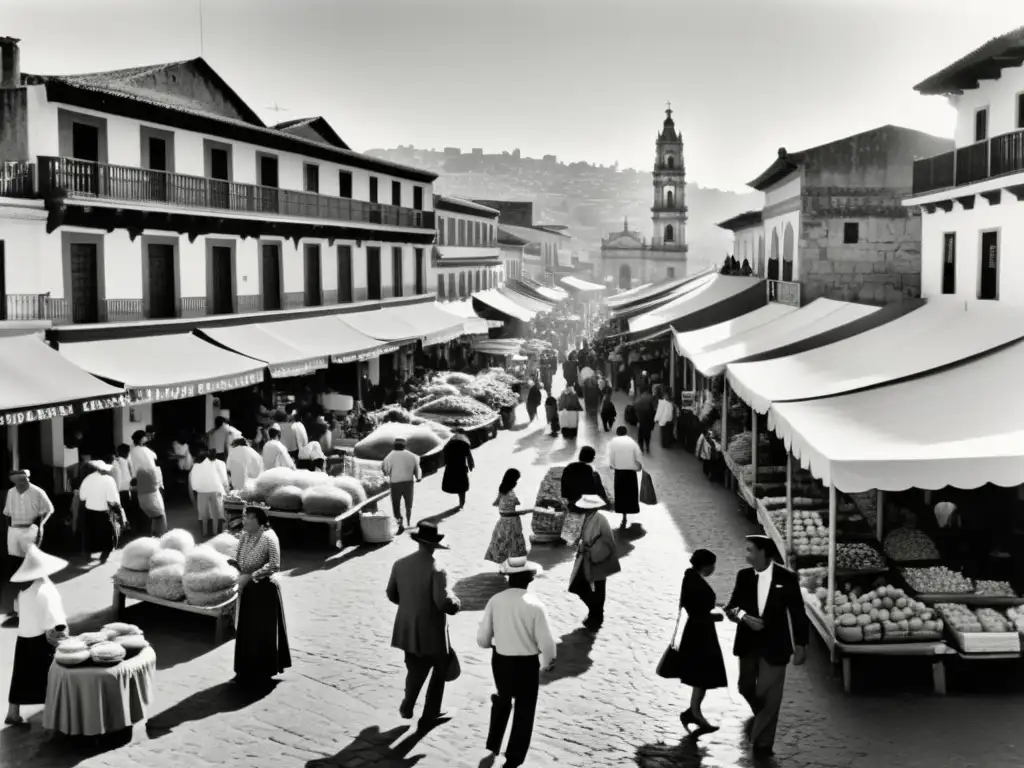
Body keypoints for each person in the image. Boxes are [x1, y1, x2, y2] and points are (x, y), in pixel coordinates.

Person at [725, 535, 810, 758]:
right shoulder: (743, 576)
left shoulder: (787, 577)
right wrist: (745, 617)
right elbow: (731, 607)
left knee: (770, 694)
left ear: (763, 553)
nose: (746, 554)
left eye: (750, 550)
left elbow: (798, 613)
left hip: (775, 646)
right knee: (745, 687)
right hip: (747, 644)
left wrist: (801, 644)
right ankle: (761, 714)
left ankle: (763, 744)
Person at [477, 556, 556, 768]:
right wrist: (548, 663)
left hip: (501, 661)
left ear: (507, 578)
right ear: (529, 580)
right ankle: (513, 757)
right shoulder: (536, 605)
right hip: (527, 664)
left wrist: (492, 644)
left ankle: (493, 743)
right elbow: (547, 643)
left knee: (503, 699)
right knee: (525, 709)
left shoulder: (495, 601)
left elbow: (483, 639)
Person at [386, 521, 461, 726]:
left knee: (414, 667)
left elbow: (392, 594)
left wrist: (411, 604)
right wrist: (456, 602)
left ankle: (408, 704)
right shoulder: (437, 569)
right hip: (432, 631)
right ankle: (430, 713)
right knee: (439, 669)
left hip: (407, 627)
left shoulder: (400, 564)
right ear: (434, 545)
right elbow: (442, 602)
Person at [5, 546, 68, 725]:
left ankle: (13, 712)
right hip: (42, 637)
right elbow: (55, 621)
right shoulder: (47, 590)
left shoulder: (23, 589)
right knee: (49, 676)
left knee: (20, 675)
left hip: (24, 635)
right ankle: (53, 714)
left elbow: (17, 610)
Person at [231, 505, 291, 685]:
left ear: (260, 521)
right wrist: (237, 568)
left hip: (265, 591)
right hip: (248, 590)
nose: (245, 520)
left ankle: (263, 671)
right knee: (246, 631)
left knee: (262, 631)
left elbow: (274, 564)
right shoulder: (244, 536)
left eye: (250, 517)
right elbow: (240, 559)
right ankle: (245, 669)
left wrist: (251, 576)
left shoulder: (269, 538)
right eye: (244, 517)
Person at [676, 549, 727, 734]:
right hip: (700, 633)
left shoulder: (691, 578)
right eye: (712, 565)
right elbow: (698, 612)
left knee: (702, 675)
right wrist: (715, 618)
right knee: (702, 674)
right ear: (705, 565)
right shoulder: (695, 583)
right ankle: (695, 713)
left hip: (699, 631)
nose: (714, 568)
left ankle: (693, 711)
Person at [3, 469, 53, 617]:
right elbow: (7, 513)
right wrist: (10, 530)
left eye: (24, 479)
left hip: (30, 530)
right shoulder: (11, 492)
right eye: (18, 480)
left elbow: (49, 509)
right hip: (14, 531)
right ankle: (19, 606)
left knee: (30, 567)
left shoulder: (37, 491)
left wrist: (40, 526)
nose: (22, 482)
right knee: (16, 568)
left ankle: (37, 603)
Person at [568, 494, 620, 631]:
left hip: (598, 558)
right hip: (587, 558)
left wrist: (593, 549)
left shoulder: (600, 519)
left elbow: (608, 541)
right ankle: (595, 612)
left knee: (599, 588)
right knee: (579, 585)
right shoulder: (586, 517)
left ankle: (596, 615)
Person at [78, 460, 124, 563]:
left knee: (89, 535)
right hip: (103, 512)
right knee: (107, 535)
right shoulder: (109, 480)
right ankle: (104, 555)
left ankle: (88, 554)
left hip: (89, 511)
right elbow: (113, 499)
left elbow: (82, 497)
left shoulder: (87, 479)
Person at [484, 469, 529, 565]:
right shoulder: (510, 493)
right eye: (516, 480)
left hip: (502, 522)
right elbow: (512, 509)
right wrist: (526, 511)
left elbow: (496, 503)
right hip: (512, 522)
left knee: (502, 543)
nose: (517, 482)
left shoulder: (502, 489)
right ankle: (514, 567)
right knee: (513, 544)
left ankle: (504, 564)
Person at [382, 437, 422, 532]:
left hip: (395, 483)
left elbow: (386, 470)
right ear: (404, 446)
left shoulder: (390, 456)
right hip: (408, 482)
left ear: (394, 445)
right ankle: (408, 521)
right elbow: (418, 468)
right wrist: (418, 477)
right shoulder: (412, 455)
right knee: (408, 503)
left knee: (396, 504)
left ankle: (400, 522)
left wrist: (385, 472)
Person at [606, 426, 642, 529]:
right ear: (626, 433)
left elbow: (611, 456)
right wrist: (638, 466)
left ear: (617, 433)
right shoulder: (632, 442)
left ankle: (623, 513)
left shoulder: (614, 443)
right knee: (630, 491)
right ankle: (631, 508)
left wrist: (612, 465)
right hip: (630, 472)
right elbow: (638, 455)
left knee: (621, 492)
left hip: (619, 471)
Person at [189, 449, 229, 538]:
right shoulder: (219, 463)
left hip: (201, 491)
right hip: (216, 489)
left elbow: (193, 480)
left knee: (203, 514)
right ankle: (215, 533)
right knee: (215, 513)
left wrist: (196, 489)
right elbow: (224, 478)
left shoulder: (196, 465)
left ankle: (205, 532)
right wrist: (226, 489)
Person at [560, 446, 609, 513]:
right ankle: (605, 500)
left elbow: (564, 486)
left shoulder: (570, 466)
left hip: (571, 500)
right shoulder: (588, 469)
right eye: (593, 456)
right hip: (583, 502)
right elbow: (590, 488)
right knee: (596, 475)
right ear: (591, 458)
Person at [441, 428, 474, 510]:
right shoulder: (465, 441)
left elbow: (445, 451)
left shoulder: (451, 440)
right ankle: (462, 503)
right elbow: (468, 455)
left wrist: (445, 462)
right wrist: (470, 465)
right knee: (462, 486)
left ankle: (461, 502)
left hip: (451, 466)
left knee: (454, 483)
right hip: (461, 466)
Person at [135, 465, 167, 536]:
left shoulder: (140, 472)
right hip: (151, 498)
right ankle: (162, 536)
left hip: (142, 500)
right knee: (161, 517)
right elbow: (157, 483)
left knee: (155, 518)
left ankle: (154, 536)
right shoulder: (151, 470)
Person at [634, 387, 657, 453]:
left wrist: (637, 417)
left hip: (641, 418)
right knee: (648, 433)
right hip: (649, 418)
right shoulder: (651, 397)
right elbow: (654, 408)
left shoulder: (639, 398)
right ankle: (647, 446)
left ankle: (641, 447)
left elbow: (635, 406)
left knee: (641, 433)